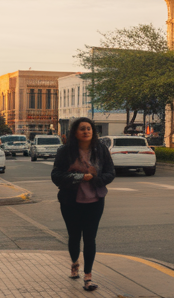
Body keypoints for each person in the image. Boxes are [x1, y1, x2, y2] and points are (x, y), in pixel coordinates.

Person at [51, 117, 114, 292]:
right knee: (74, 236)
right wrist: (80, 177)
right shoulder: (65, 151)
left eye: (89, 128)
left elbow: (111, 172)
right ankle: (74, 264)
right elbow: (56, 175)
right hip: (70, 200)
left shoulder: (100, 149)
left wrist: (96, 179)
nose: (86, 131)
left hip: (95, 200)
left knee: (90, 238)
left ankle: (88, 277)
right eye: (82, 129)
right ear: (75, 133)